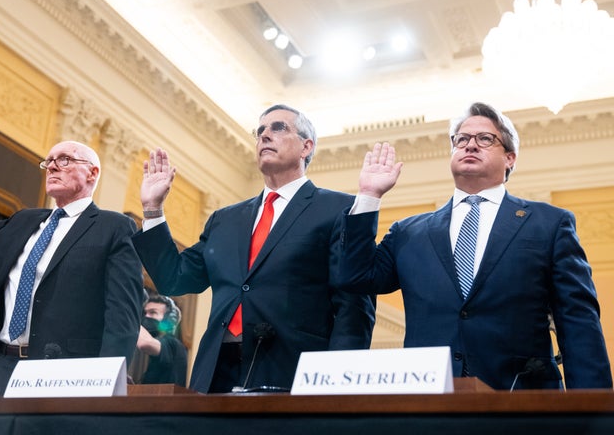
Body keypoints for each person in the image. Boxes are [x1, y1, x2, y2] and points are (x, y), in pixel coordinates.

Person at [335, 101, 612, 390]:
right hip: (430, 401)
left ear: (510, 158)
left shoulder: (550, 224)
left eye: (485, 139)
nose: (470, 146)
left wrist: (595, 410)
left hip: (522, 399)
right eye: (462, 140)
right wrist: (368, 196)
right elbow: (356, 277)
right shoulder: (409, 231)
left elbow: (578, 321)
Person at [133, 104, 375, 393]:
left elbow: (353, 305)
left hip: (293, 372)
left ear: (306, 147)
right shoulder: (225, 219)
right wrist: (152, 209)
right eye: (259, 131)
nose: (264, 136)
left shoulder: (338, 209)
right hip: (216, 373)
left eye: (278, 128)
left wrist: (339, 379)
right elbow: (175, 278)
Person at [0, 110, 143, 396]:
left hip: (62, 376)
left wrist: (105, 383)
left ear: (93, 173)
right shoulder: (22, 221)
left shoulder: (114, 227)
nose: (53, 167)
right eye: (49, 162)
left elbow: (123, 316)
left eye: (65, 160)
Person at [136, 294, 188, 385]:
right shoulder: (161, 345)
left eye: (153, 312)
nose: (146, 317)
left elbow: (144, 343)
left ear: (168, 319)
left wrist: (132, 319)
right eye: (145, 313)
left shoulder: (172, 343)